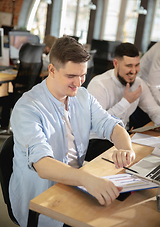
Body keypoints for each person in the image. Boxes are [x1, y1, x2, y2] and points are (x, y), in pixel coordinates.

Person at [9, 36, 135, 227]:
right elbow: (42, 165)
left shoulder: (83, 96)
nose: (79, 83)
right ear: (52, 70)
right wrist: (87, 180)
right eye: (71, 76)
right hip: (41, 198)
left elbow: (111, 125)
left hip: (76, 183)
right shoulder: (27, 108)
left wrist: (126, 148)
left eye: (83, 75)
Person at [87, 42, 160, 160]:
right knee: (132, 160)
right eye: (129, 65)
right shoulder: (99, 84)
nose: (134, 71)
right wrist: (126, 102)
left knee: (146, 155)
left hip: (120, 138)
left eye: (137, 65)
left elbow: (154, 110)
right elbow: (97, 124)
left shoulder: (138, 83)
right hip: (97, 140)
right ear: (115, 63)